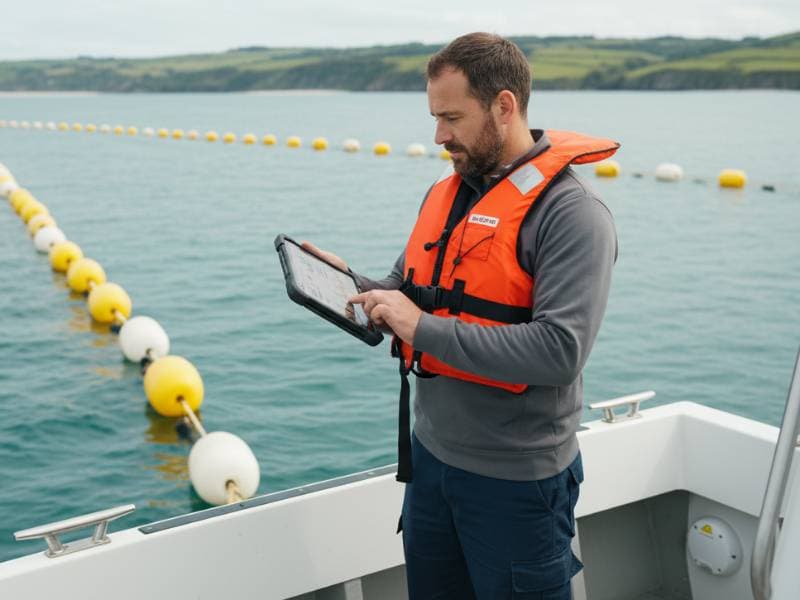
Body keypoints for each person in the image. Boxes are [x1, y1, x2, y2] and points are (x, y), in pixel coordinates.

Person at [303, 32, 618, 600]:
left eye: (451, 118)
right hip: (431, 464)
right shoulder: (446, 193)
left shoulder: (573, 214)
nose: (439, 136)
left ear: (504, 106)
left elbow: (559, 351)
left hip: (517, 484)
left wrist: (419, 328)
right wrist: (352, 285)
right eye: (434, 118)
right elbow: (407, 289)